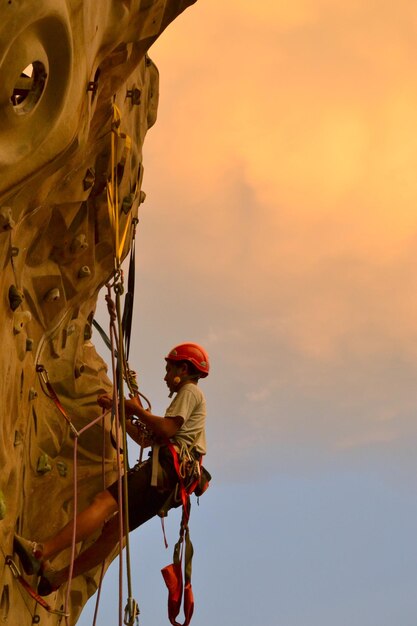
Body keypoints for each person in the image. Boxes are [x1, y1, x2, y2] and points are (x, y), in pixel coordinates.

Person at [13, 342, 209, 596]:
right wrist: (121, 412)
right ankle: (56, 578)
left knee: (103, 502)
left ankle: (41, 552)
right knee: (112, 534)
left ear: (183, 368)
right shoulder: (190, 399)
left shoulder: (190, 391)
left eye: (169, 369)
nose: (165, 376)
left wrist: (136, 409)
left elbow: (165, 430)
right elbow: (147, 439)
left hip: (165, 472)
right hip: (168, 487)